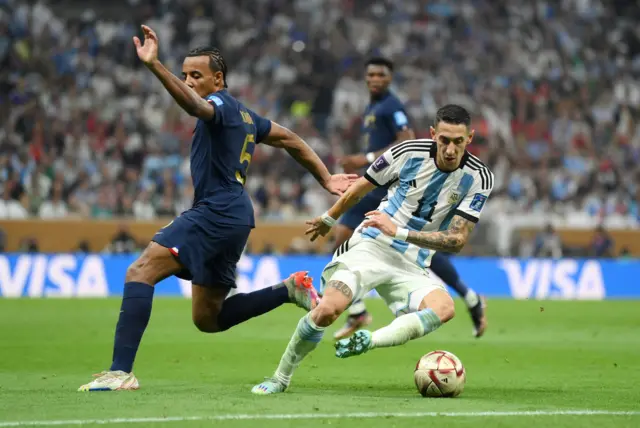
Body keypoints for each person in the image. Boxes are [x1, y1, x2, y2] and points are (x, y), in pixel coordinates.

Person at [78, 25, 356, 392]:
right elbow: (288, 138)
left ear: (218, 78)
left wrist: (154, 65)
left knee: (140, 271)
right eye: (184, 75)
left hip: (217, 211)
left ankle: (120, 372)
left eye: (197, 75)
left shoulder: (220, 106)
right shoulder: (245, 116)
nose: (189, 81)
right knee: (208, 318)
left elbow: (194, 105)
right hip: (235, 215)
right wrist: (324, 177)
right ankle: (289, 289)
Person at [252, 104, 494, 395]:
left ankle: (369, 340)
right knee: (328, 311)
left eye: (458, 141)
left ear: (470, 138)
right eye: (444, 140)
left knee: (445, 308)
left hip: (412, 264)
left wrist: (401, 231)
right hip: (371, 246)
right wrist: (330, 218)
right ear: (433, 134)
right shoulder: (407, 153)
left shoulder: (479, 177)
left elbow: (456, 240)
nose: (451, 149)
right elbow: (361, 187)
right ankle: (281, 377)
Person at [334, 58, 487, 340]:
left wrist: (364, 159)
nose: (375, 79)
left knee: (404, 244)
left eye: (381, 74)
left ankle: (357, 309)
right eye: (371, 74)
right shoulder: (373, 106)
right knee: (410, 247)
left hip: (389, 188)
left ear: (390, 79)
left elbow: (405, 137)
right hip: (380, 184)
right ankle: (469, 296)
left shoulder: (392, 106)